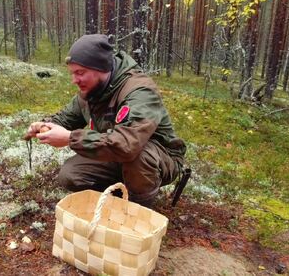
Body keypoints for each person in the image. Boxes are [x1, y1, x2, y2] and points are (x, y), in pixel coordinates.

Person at [26, 34, 186, 207]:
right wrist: (45, 125)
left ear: (101, 68)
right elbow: (66, 118)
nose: (74, 80)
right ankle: (117, 194)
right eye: (72, 73)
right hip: (117, 153)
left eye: (80, 73)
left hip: (159, 157)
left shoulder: (139, 91)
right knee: (71, 174)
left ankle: (137, 209)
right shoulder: (92, 90)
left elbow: (128, 144)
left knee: (139, 156)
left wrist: (70, 138)